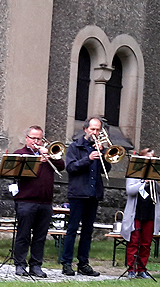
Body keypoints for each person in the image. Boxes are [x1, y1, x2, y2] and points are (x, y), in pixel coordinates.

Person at [11, 125, 65, 277]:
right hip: (26, 201)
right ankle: (20, 264)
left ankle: (36, 265)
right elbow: (17, 173)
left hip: (45, 202)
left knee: (40, 236)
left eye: (39, 139)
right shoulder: (20, 154)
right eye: (33, 138)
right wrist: (37, 161)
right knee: (23, 235)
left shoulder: (49, 156)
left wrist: (51, 156)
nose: (36, 141)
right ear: (27, 138)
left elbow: (62, 166)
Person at [60, 117, 111, 277]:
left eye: (98, 130)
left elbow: (106, 169)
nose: (95, 133)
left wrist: (103, 154)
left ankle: (83, 263)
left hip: (93, 193)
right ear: (85, 129)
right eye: (93, 129)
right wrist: (87, 159)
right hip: (78, 193)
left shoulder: (100, 148)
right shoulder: (75, 147)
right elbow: (71, 168)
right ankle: (66, 263)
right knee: (72, 229)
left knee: (88, 231)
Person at [121, 148, 160, 279]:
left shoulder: (156, 173)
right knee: (134, 241)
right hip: (136, 211)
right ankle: (131, 269)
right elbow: (130, 190)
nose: (151, 161)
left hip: (151, 211)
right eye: (148, 158)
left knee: (146, 243)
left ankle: (142, 269)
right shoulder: (134, 172)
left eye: (153, 158)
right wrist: (144, 182)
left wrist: (157, 179)